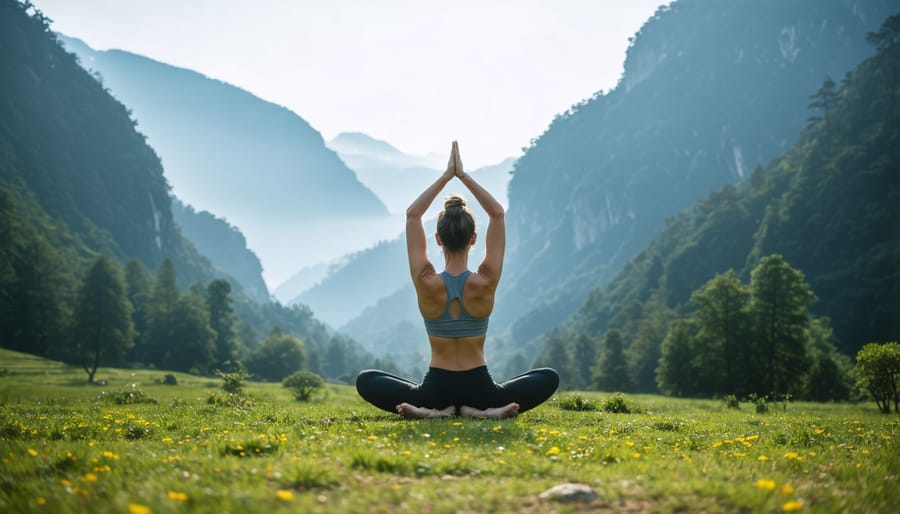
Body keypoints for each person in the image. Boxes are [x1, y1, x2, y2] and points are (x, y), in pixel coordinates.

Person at [356, 141, 559, 419]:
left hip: (435, 388)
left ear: (437, 239)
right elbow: (498, 215)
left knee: (366, 379)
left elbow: (413, 215)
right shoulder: (485, 281)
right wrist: (462, 175)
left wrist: (445, 177)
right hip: (481, 388)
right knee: (548, 377)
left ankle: (433, 411)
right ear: (473, 239)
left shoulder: (426, 282)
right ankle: (482, 411)